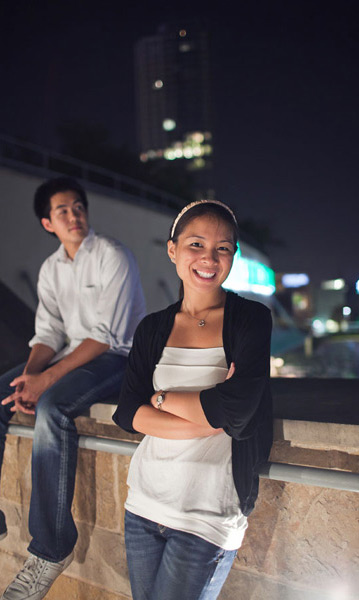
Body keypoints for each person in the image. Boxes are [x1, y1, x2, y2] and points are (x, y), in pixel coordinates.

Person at [112, 200, 273, 600]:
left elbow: (236, 412)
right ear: (173, 250)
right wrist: (207, 413)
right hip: (144, 502)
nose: (209, 258)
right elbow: (129, 410)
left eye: (223, 248)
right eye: (196, 245)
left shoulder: (250, 319)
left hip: (208, 513)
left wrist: (162, 398)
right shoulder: (152, 328)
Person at [0, 177, 146, 600]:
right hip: (72, 354)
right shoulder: (51, 269)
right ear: (48, 223)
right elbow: (47, 332)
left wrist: (46, 382)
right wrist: (29, 376)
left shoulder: (112, 255)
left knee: (53, 408)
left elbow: (106, 335)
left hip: (119, 357)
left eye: (78, 206)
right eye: (62, 210)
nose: (73, 215)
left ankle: (51, 548)